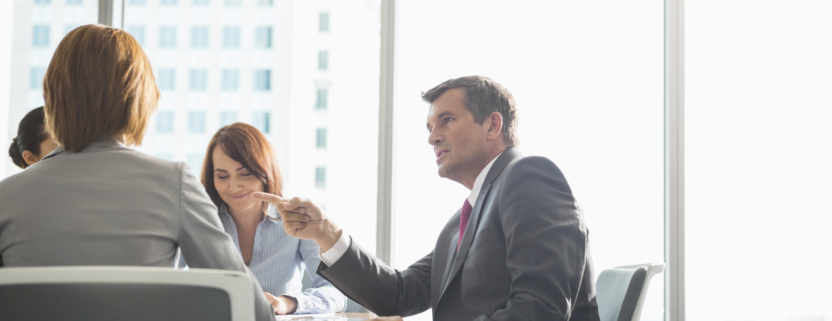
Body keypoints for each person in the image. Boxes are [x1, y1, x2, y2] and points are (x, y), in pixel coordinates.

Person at [256, 76, 600, 320]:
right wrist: (324, 233)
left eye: (446, 121)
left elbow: (540, 310)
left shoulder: (529, 177)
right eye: (430, 128)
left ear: (493, 125)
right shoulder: (464, 219)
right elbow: (399, 294)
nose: (433, 137)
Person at [0, 24, 274, 321]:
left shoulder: (7, 196)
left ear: (53, 98)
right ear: (138, 98)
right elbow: (250, 307)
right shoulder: (173, 182)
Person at [200, 122, 346, 315]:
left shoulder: (295, 219)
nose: (234, 187)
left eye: (245, 174)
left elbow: (336, 294)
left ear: (265, 172)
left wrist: (287, 303)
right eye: (222, 176)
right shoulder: (201, 222)